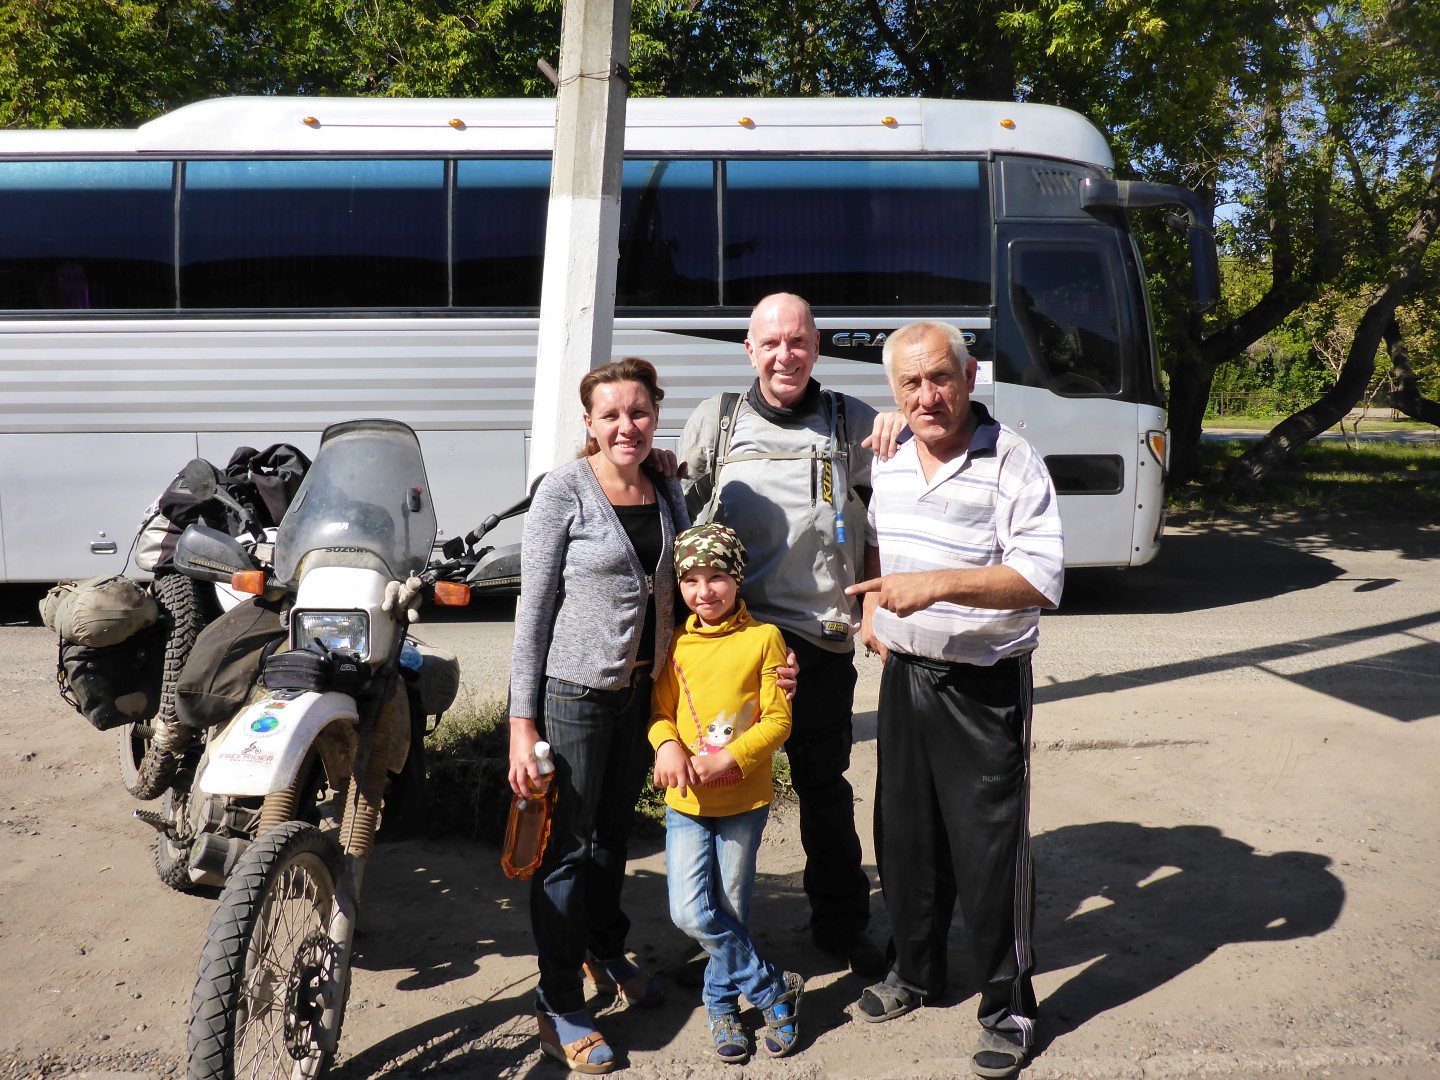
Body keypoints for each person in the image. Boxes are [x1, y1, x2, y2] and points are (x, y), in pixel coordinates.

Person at [845, 321, 1064, 1080]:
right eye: (910, 383)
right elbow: (879, 540)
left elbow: (1041, 579)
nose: (927, 396)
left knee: (989, 853)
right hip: (905, 676)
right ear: (893, 390)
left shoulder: (1012, 460)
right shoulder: (891, 454)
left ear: (970, 378)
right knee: (905, 838)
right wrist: (872, 613)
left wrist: (935, 586)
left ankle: (1008, 1008)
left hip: (983, 685)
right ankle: (915, 971)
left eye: (941, 377)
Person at [679, 291, 901, 976]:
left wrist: (873, 606)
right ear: (750, 349)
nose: (785, 355)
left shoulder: (851, 421)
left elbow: (894, 514)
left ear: (816, 346)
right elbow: (678, 525)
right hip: (730, 643)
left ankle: (841, 924)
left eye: (798, 341)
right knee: (716, 790)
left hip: (818, 642)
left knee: (823, 786)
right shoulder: (716, 421)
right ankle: (714, 939)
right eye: (771, 343)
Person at [508, 357, 686, 1075]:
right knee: (567, 849)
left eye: (638, 411)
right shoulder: (563, 490)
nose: (626, 425)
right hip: (575, 695)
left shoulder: (666, 486)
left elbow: (681, 587)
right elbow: (534, 609)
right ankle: (557, 1004)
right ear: (589, 422)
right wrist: (522, 722)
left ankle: (604, 950)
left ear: (655, 414)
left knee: (614, 836)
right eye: (610, 414)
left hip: (642, 694)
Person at [650, 522, 804, 1065]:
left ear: (737, 578)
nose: (704, 590)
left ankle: (720, 1005)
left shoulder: (765, 639)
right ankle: (771, 988)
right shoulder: (676, 644)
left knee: (731, 908)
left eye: (716, 576)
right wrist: (667, 745)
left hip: (743, 801)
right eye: (690, 580)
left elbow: (778, 722)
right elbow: (660, 712)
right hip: (687, 802)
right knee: (691, 912)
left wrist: (726, 759)